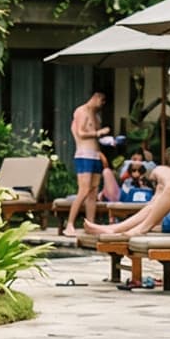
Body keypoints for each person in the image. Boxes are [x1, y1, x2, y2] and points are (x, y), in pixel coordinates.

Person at [62, 89, 109, 235]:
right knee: (84, 190)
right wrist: (98, 133)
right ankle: (69, 224)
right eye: (102, 101)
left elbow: (97, 137)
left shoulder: (96, 116)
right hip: (84, 155)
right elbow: (81, 133)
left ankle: (91, 224)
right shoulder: (81, 111)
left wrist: (107, 140)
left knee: (93, 192)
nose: (102, 105)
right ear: (96, 97)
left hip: (95, 155)